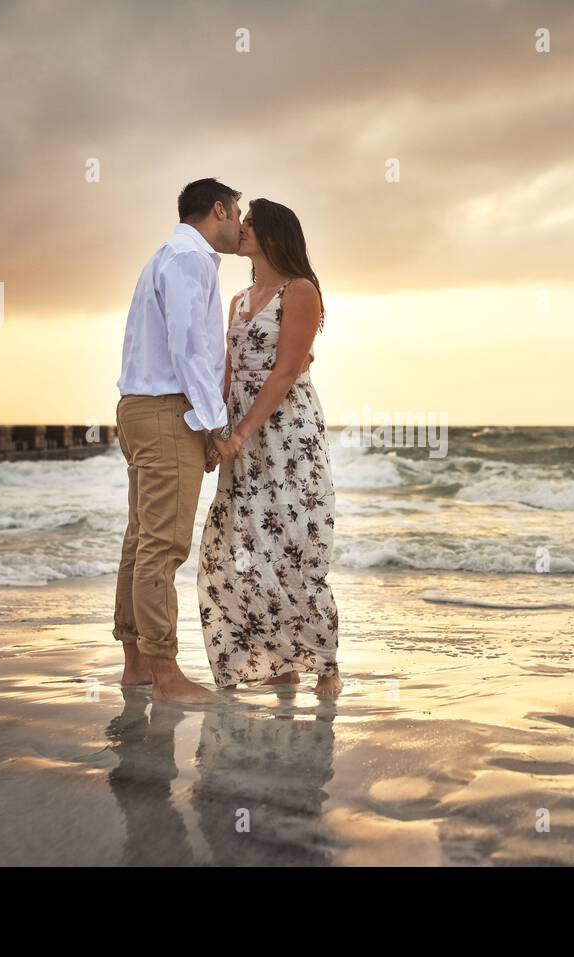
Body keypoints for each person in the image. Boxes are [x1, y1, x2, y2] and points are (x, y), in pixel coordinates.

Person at [198, 198, 342, 696]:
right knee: (239, 546)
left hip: (287, 432)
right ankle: (277, 662)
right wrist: (217, 432)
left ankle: (325, 663)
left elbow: (284, 372)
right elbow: (229, 374)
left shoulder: (300, 291)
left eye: (250, 224)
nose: (240, 230)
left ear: (273, 234)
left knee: (295, 540)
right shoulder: (238, 299)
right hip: (242, 433)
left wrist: (241, 433)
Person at [112, 178, 241, 702]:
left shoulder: (163, 257)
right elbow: (189, 350)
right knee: (162, 546)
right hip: (169, 411)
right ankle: (165, 674)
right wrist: (215, 427)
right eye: (237, 214)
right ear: (218, 209)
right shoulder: (188, 260)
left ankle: (137, 664)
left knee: (141, 539)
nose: (240, 225)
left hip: (140, 408)